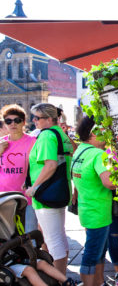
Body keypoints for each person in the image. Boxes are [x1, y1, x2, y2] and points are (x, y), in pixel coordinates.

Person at [25, 103, 73, 275]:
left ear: (49, 119)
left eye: (37, 117)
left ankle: (59, 279)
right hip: (60, 191)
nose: (34, 120)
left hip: (46, 193)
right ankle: (63, 276)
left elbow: (50, 164)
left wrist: (34, 187)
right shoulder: (60, 133)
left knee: (53, 241)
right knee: (59, 237)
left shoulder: (46, 136)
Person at [71, 116, 117, 286]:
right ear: (93, 134)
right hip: (98, 212)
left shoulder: (80, 150)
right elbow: (110, 183)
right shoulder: (98, 154)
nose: (107, 137)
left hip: (87, 209)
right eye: (103, 132)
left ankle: (98, 282)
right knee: (92, 254)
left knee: (98, 251)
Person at [0, 104, 38, 233]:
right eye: (8, 121)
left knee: (29, 235)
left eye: (17, 120)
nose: (13, 124)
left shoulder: (33, 141)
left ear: (24, 122)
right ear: (4, 123)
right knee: (7, 237)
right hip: (4, 197)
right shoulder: (1, 142)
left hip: (26, 197)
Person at [7, 259, 76, 286]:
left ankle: (68, 282)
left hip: (17, 258)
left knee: (42, 263)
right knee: (29, 270)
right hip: (6, 266)